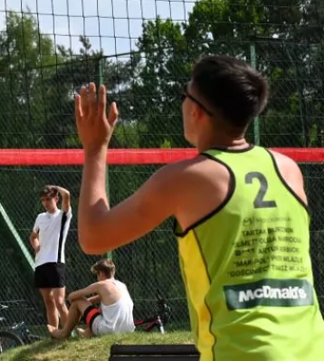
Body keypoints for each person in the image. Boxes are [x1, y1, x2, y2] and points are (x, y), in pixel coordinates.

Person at [73, 54, 324, 359]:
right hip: (312, 347)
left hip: (245, 353)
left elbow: (94, 236)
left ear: (197, 110)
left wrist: (95, 148)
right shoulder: (288, 169)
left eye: (184, 94)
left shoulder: (190, 178)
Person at [48, 258, 134, 339]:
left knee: (77, 301)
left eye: (97, 274)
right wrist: (87, 302)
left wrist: (80, 303)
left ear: (101, 273)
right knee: (105, 308)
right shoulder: (122, 285)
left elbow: (72, 296)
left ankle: (64, 333)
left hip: (109, 330)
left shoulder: (101, 285)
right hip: (128, 330)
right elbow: (106, 298)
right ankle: (86, 333)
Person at [30, 184, 72, 331]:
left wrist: (54, 187)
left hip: (56, 263)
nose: (45, 203)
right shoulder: (40, 217)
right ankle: (54, 334)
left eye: (48, 199)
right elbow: (33, 236)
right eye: (43, 200)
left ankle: (68, 334)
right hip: (40, 264)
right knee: (49, 301)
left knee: (60, 301)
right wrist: (36, 246)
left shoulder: (63, 216)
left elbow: (67, 195)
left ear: (56, 198)